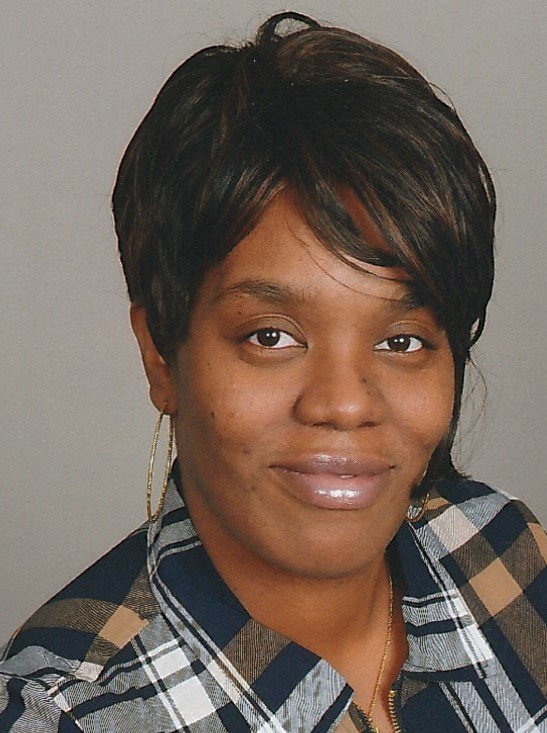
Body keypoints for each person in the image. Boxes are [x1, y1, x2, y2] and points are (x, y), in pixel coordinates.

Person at [1, 10, 545, 733]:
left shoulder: (503, 555)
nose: (344, 404)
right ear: (161, 353)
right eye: (271, 335)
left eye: (402, 341)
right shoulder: (67, 715)